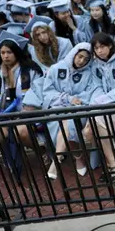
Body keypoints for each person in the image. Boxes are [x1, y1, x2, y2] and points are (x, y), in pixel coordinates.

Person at [0, 32, 43, 160]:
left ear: (17, 53)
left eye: (9, 52)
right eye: (2, 53)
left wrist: (28, 108)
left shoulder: (31, 70)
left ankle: (40, 150)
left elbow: (38, 91)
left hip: (27, 113)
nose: (5, 56)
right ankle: (13, 156)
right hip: (4, 113)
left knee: (22, 132)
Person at [83, 32, 115, 183]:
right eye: (96, 48)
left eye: (102, 47)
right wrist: (99, 100)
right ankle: (113, 165)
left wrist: (103, 100)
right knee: (95, 124)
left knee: (96, 122)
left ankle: (114, 166)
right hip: (104, 106)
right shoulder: (96, 65)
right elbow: (96, 86)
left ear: (110, 45)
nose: (99, 51)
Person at [42, 42, 95, 179]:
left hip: (79, 109)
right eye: (80, 56)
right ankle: (79, 158)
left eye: (86, 59)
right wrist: (67, 99)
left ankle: (56, 160)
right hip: (57, 108)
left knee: (71, 120)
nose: (81, 61)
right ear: (74, 53)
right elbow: (47, 92)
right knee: (64, 121)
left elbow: (90, 92)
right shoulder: (56, 69)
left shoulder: (89, 73)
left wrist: (76, 102)